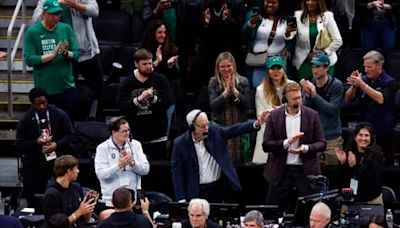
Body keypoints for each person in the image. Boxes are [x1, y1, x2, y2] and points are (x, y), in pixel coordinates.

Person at [171, 109, 269, 202]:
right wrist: (181, 199)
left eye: (207, 124)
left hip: (216, 188)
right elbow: (177, 173)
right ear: (192, 127)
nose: (206, 129)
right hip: (195, 191)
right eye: (203, 126)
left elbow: (235, 129)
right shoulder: (180, 144)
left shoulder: (215, 132)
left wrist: (256, 123)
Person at [263, 81, 326, 212]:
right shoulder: (274, 116)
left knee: (312, 209)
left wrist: (305, 148)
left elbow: (322, 143)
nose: (298, 101)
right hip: (281, 170)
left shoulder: (312, 115)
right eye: (294, 99)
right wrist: (287, 142)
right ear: (285, 99)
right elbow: (266, 145)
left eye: (299, 97)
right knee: (271, 210)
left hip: (305, 170)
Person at [32, 0, 103, 100]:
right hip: (63, 55)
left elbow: (95, 11)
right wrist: (53, 8)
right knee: (67, 93)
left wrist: (75, 5)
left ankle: (97, 114)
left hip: (87, 51)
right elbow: (35, 21)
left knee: (97, 89)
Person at [16, 87, 74, 208]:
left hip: (58, 159)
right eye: (38, 104)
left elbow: (71, 135)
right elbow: (20, 144)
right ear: (32, 104)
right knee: (33, 191)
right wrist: (36, 142)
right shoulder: (25, 119)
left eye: (44, 102)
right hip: (35, 162)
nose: (42, 106)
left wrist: (56, 144)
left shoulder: (59, 113)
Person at [24, 0, 79, 119]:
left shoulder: (66, 28)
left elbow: (76, 55)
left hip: (66, 87)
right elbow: (29, 60)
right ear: (43, 14)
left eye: (58, 14)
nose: (56, 17)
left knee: (69, 123)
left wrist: (65, 53)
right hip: (45, 92)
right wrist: (51, 55)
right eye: (52, 14)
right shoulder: (32, 32)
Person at [117, 48, 173, 160]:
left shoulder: (160, 79)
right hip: (135, 137)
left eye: (150, 63)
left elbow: (168, 102)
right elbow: (122, 106)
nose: (148, 66)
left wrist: (153, 98)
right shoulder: (127, 83)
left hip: (158, 136)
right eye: (144, 64)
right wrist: (140, 99)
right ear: (136, 64)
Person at [344, 50, 397, 165]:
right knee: (362, 164)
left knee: (384, 165)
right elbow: (348, 98)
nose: (366, 70)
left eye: (369, 67)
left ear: (379, 66)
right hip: (364, 131)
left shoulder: (390, 82)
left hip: (383, 132)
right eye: (365, 67)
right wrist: (353, 86)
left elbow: (380, 99)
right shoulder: (364, 80)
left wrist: (362, 85)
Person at [95, 116, 150, 207]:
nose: (127, 133)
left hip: (132, 200)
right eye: (124, 131)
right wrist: (119, 165)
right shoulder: (102, 148)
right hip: (110, 201)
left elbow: (145, 170)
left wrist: (133, 163)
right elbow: (101, 174)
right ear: (114, 132)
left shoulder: (135, 145)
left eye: (128, 130)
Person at [208, 52, 251, 164]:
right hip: (220, 128)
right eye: (222, 66)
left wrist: (236, 92)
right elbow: (214, 106)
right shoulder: (213, 82)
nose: (226, 69)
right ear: (218, 68)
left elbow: (247, 105)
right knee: (220, 164)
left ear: (233, 66)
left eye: (228, 66)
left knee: (242, 164)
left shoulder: (243, 81)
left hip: (240, 128)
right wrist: (226, 93)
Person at [301, 54, 343, 165]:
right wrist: (307, 94)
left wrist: (315, 96)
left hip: (331, 136)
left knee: (333, 166)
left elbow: (332, 109)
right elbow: (305, 111)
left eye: (318, 67)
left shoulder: (336, 85)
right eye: (313, 67)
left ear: (327, 68)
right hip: (313, 135)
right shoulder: (309, 84)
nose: (314, 70)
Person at [242, 0, 295, 87]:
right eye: (268, 2)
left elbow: (292, 40)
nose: (270, 5)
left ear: (279, 4)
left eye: (274, 2)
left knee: (278, 89)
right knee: (258, 87)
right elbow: (243, 36)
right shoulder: (254, 16)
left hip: (278, 62)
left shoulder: (286, 20)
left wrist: (288, 46)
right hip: (258, 61)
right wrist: (250, 24)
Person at [253, 55, 293, 164]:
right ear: (268, 71)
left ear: (283, 69)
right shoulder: (260, 90)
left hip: (288, 130)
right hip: (268, 131)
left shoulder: (292, 86)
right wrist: (280, 111)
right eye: (272, 68)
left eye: (279, 68)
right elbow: (260, 114)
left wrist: (276, 110)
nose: (276, 71)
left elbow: (297, 108)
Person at [42, 155, 98, 228]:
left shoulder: (76, 187)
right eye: (76, 168)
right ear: (69, 171)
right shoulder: (51, 194)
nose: (78, 171)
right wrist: (79, 211)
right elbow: (56, 225)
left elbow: (86, 220)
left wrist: (89, 206)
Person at [335, 122, 384, 204]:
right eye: (360, 135)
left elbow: (370, 181)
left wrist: (354, 167)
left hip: (371, 200)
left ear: (371, 138)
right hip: (351, 199)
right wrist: (342, 163)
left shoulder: (376, 154)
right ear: (355, 137)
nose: (363, 138)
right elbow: (341, 179)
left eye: (366, 135)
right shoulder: (349, 152)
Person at [293, 0, 342, 80]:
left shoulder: (327, 16)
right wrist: (287, 33)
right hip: (304, 60)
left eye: (313, 0)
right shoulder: (298, 15)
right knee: (305, 89)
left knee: (323, 90)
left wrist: (322, 53)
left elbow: (338, 40)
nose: (310, 2)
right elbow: (292, 36)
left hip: (324, 61)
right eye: (307, 0)